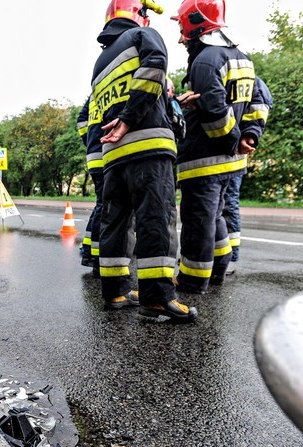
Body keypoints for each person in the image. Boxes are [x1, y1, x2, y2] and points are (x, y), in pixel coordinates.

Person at [91, 0, 197, 322]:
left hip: (114, 157)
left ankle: (116, 292)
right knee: (156, 221)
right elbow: (155, 66)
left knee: (116, 225)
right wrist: (131, 116)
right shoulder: (142, 36)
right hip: (148, 148)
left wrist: (124, 117)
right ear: (141, 15)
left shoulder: (99, 63)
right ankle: (158, 297)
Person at [171, 0, 259, 294]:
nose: (181, 38)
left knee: (198, 222)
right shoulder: (242, 58)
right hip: (231, 164)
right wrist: (249, 135)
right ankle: (218, 271)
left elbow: (212, 106)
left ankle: (191, 282)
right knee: (215, 217)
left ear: (195, 25)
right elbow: (258, 102)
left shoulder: (206, 60)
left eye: (182, 30)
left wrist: (232, 140)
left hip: (204, 161)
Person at [222, 76, 273, 275]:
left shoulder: (253, 81)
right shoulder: (240, 79)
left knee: (228, 204)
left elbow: (260, 112)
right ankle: (218, 255)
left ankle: (231, 256)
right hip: (226, 153)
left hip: (234, 154)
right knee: (221, 207)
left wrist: (247, 137)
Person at [77, 95, 105, 275]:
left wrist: (90, 142)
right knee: (106, 207)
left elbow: (81, 121)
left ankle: (89, 251)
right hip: (106, 153)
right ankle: (96, 258)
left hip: (94, 154)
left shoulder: (95, 94)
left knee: (101, 206)